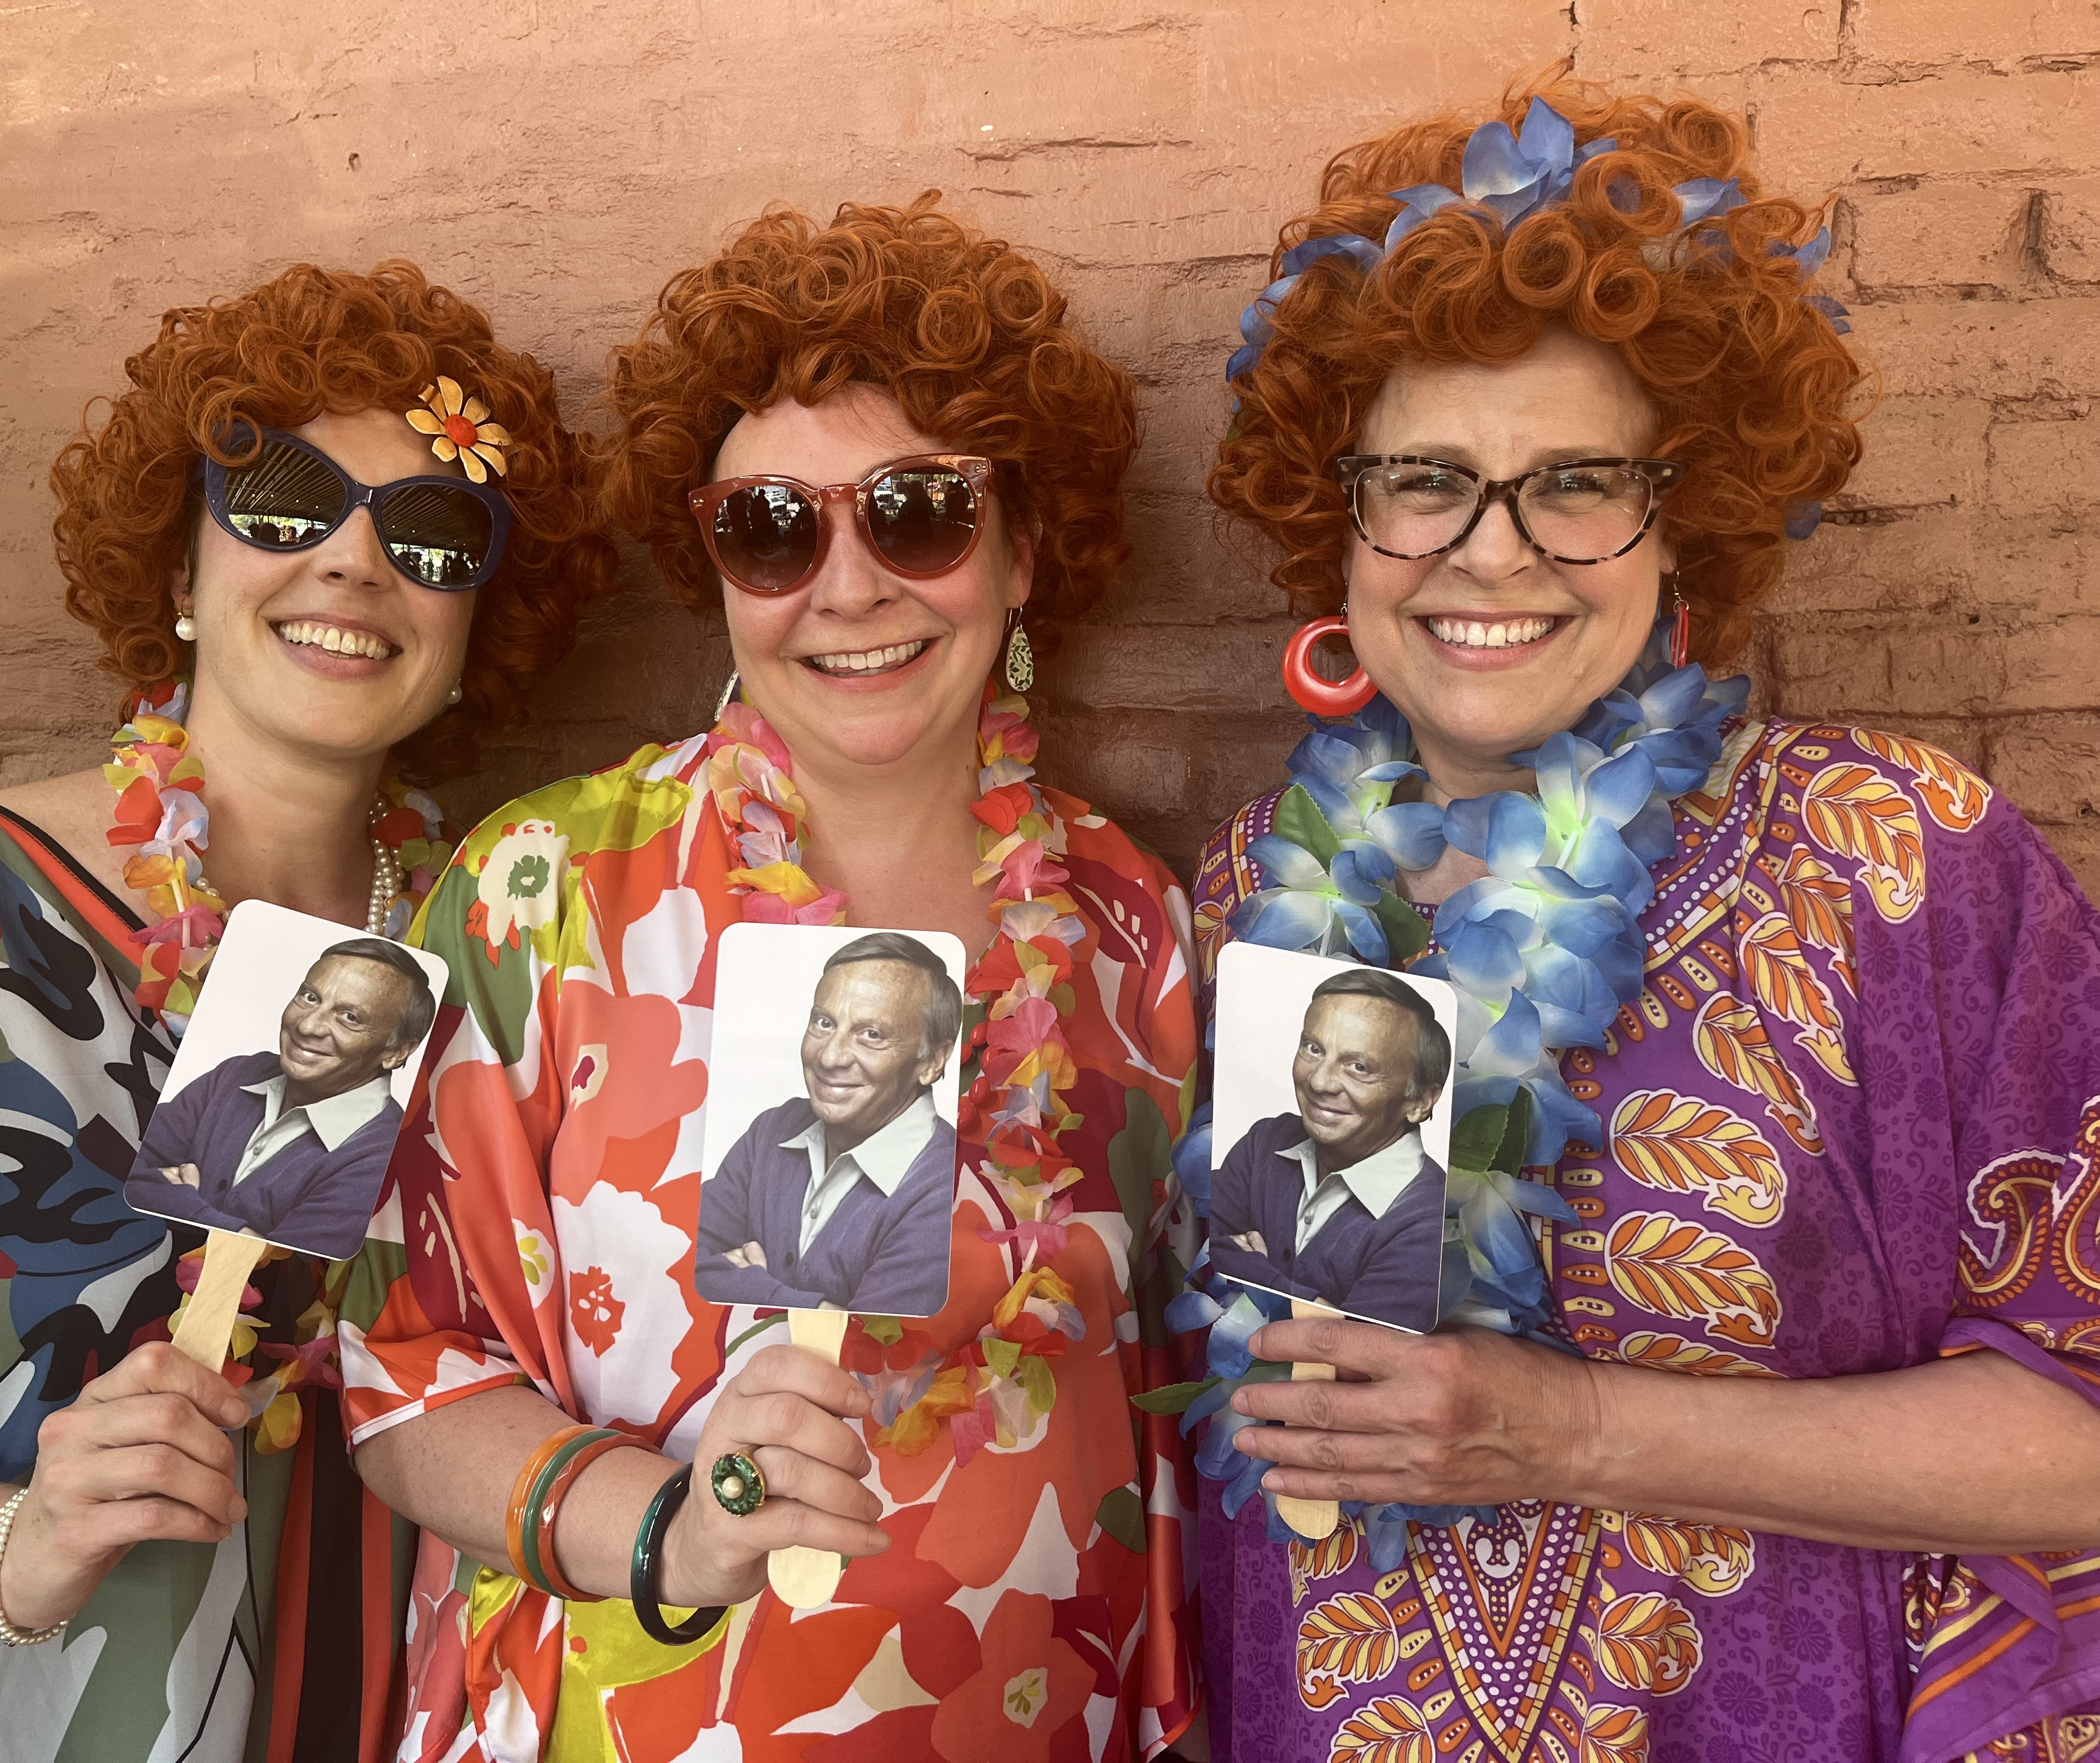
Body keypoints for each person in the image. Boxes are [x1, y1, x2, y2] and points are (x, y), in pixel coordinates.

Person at [1189, 84, 2100, 1758]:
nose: (1493, 551)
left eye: (1576, 483)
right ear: (1345, 523)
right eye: (1426, 480)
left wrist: (1573, 1429)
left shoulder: (1895, 861)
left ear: (1684, 518)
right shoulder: (1249, 887)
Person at [340, 198, 1206, 1761]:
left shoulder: (1133, 927)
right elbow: (401, 1374)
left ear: (1022, 550)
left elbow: (1177, 1385)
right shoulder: (547, 894)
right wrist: (668, 1524)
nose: (848, 584)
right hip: (636, 1718)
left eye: (921, 511)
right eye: (772, 527)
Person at [0, 261, 611, 1762]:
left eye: (430, 530)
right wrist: (0, 1545)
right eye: (281, 502)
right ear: (172, 569)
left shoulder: (504, 956)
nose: (353, 563)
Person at [697, 930, 963, 1316]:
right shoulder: (773, 1130)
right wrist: (816, 1309)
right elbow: (681, 1259)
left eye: (872, 1035)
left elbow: (872, 1353)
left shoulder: (948, 1189)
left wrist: (743, 1287)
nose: (830, 1057)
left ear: (933, 1061)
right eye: (823, 1023)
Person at [131, 937, 438, 1256]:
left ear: (397, 1052)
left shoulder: (386, 1154)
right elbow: (129, 1162)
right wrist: (239, 1232)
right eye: (309, 997)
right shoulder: (238, 1073)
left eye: (350, 1017)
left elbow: (281, 1270)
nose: (308, 1025)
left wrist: (178, 1201)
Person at [1208, 968, 1447, 1330]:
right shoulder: (1264, 1142)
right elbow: (1206, 1256)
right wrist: (1312, 1305)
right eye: (1313, 1049)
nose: (1319, 1081)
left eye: (1359, 1067)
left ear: (1420, 1101)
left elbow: (1351, 1359)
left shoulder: (1430, 1221)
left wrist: (1258, 1275)